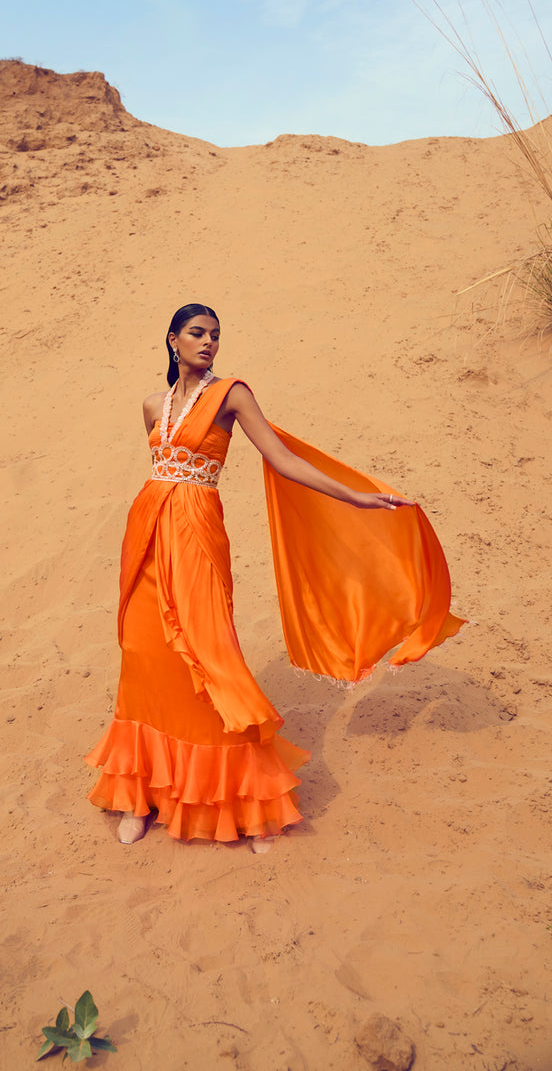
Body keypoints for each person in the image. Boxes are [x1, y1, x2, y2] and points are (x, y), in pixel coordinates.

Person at [86, 304, 464, 851]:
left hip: (196, 534)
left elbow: (283, 460)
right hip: (146, 534)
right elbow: (159, 471)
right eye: (197, 333)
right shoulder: (152, 405)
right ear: (173, 339)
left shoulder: (232, 394)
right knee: (146, 655)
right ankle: (140, 795)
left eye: (215, 335)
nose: (208, 342)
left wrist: (357, 496)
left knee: (211, 654)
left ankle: (251, 803)